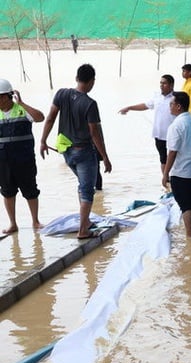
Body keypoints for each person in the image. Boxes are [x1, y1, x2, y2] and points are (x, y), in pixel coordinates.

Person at [39, 63, 112, 239]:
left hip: (66, 152)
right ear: (92, 81)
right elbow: (95, 133)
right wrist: (105, 157)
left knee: (82, 185)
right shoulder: (90, 104)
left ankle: (85, 221)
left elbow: (49, 119)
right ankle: (83, 230)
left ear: (77, 78)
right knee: (87, 190)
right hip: (83, 152)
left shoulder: (61, 94)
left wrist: (42, 141)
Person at [0, 80, 46, 234]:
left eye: (0, 97)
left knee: (30, 190)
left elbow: (40, 117)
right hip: (3, 162)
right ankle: (13, 224)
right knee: (7, 192)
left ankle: (35, 221)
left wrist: (22, 103)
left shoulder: (21, 109)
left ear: (9, 96)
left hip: (24, 160)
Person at [162, 91, 191, 238]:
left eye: (171, 104)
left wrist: (165, 174)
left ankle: (189, 237)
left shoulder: (176, 126)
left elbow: (172, 152)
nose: (170, 107)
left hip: (181, 171)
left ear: (178, 106)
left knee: (186, 206)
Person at [118, 74, 177, 172]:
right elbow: (145, 105)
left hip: (173, 134)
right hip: (159, 134)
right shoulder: (157, 96)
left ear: (171, 85)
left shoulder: (176, 98)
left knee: (175, 158)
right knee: (163, 159)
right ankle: (166, 181)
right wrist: (129, 107)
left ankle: (175, 179)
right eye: (160, 83)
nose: (161, 85)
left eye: (164, 83)